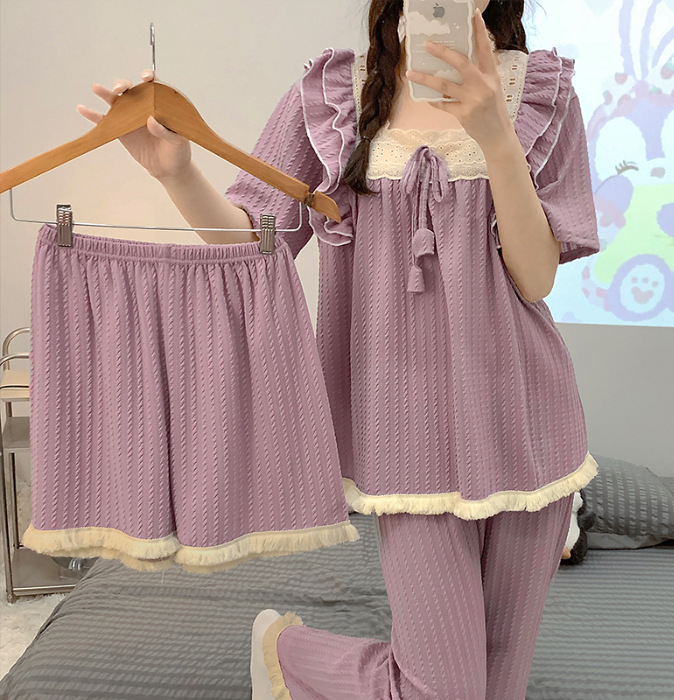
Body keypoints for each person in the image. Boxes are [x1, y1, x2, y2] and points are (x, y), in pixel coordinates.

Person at [79, 0, 600, 697]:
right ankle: (286, 650)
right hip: (405, 440)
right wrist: (176, 173)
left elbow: (535, 279)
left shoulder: (542, 93)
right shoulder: (332, 97)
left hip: (531, 428)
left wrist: (494, 136)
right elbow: (254, 245)